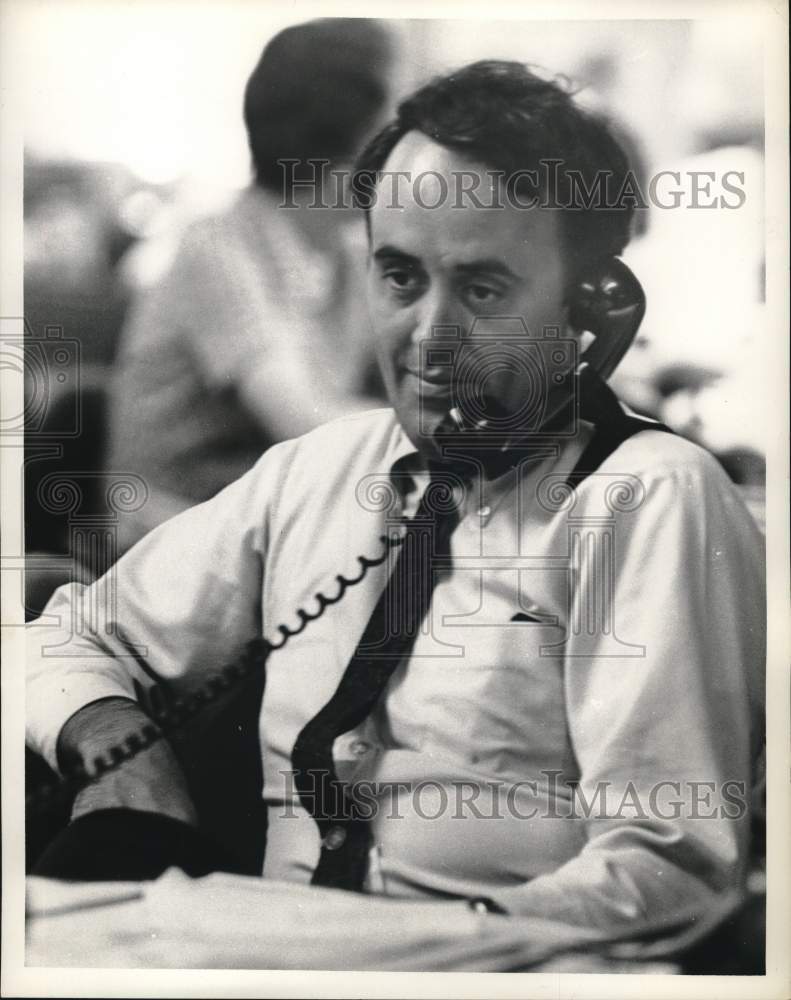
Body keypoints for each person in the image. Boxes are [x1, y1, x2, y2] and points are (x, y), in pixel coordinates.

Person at [26, 61, 764, 955]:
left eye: (482, 290)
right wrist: (114, 739)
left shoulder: (651, 501)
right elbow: (62, 634)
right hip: (247, 951)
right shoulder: (319, 472)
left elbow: (669, 867)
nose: (429, 338)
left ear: (589, 306)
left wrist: (414, 942)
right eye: (400, 278)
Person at [106, 19, 393, 548]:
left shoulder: (350, 251)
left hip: (270, 520)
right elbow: (301, 419)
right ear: (352, 159)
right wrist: (451, 425)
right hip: (169, 540)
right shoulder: (216, 249)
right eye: (398, 132)